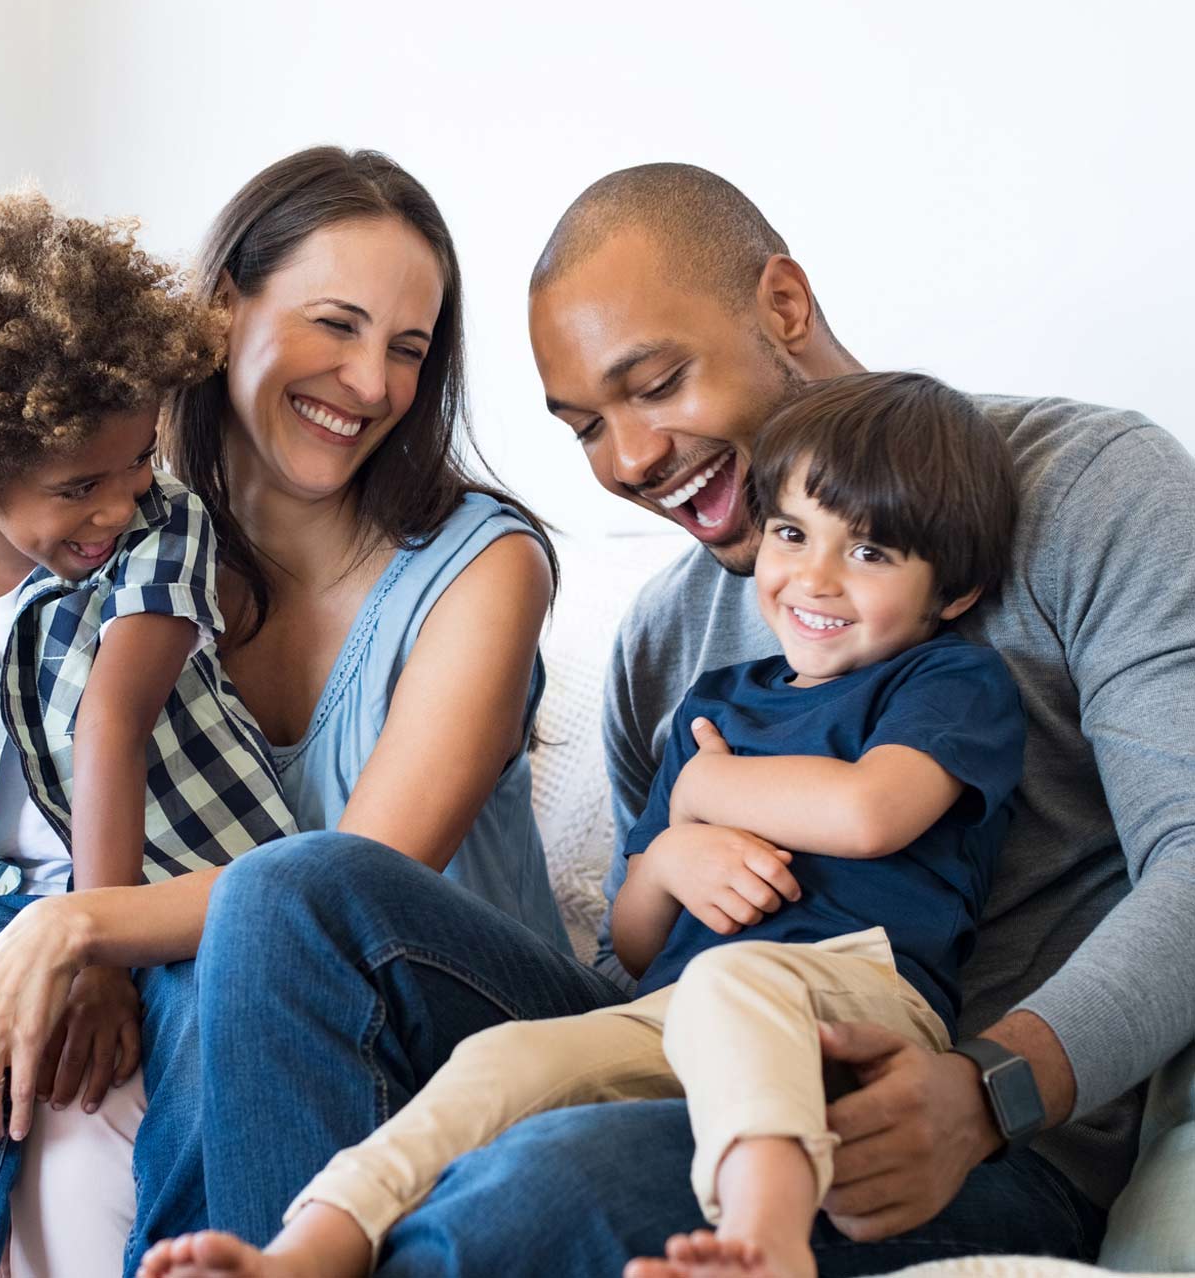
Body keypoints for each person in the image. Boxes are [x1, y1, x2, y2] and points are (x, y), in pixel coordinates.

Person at [122, 161, 1192, 1276]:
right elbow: (641, 958)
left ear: (781, 307)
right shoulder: (668, 637)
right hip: (695, 1046)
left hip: (964, 1134)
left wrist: (989, 1090)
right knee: (289, 888)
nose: (629, 461)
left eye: (658, 382)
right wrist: (673, 852)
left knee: (534, 1183)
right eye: (585, 425)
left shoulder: (1087, 491)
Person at [0, 148, 571, 1275]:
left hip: (433, 1013)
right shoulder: (100, 541)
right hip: (222, 988)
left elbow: (346, 887)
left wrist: (74, 929)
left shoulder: (479, 568)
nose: (371, 383)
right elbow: (11, 829)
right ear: (218, 312)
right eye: (335, 325)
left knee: (238, 961)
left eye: (408, 348)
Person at [137, 370, 1025, 1278]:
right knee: (503, 1060)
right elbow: (635, 943)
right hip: (674, 1012)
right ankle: (308, 1247)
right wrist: (673, 850)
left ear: (952, 594)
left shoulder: (947, 682)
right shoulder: (717, 706)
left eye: (871, 555)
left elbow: (871, 812)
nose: (816, 578)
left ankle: (765, 1245)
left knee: (735, 984)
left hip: (855, 1002)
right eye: (793, 534)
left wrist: (706, 795)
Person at [0, 188, 295, 1278]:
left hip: (188, 883)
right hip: (1, 907)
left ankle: (187, 1259)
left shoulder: (158, 529)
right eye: (79, 485)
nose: (119, 501)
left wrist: (97, 945)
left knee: (204, 1025)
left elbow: (110, 726)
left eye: (137, 460)